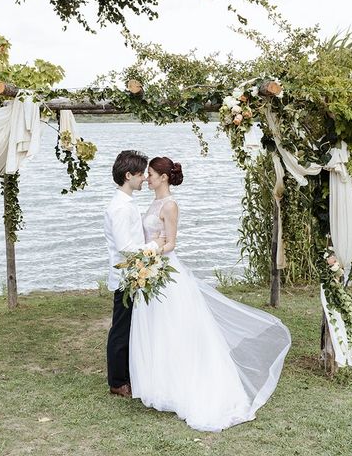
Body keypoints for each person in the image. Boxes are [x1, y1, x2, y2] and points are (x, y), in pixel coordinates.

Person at [129, 156, 292, 432]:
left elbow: (171, 243)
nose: (147, 178)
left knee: (175, 328)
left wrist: (151, 251)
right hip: (151, 270)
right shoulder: (154, 202)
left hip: (165, 270)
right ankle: (162, 383)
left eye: (151, 174)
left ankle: (185, 384)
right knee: (158, 328)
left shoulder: (169, 205)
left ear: (164, 177)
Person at [103, 150, 164, 397]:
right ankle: (117, 382)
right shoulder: (120, 208)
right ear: (128, 175)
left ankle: (129, 374)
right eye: (141, 175)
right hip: (125, 277)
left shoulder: (127, 203)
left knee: (130, 328)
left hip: (134, 275)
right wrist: (155, 246)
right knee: (121, 330)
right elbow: (125, 247)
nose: (144, 180)